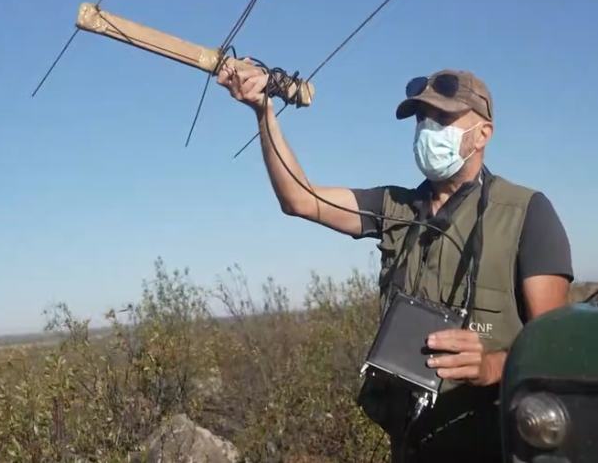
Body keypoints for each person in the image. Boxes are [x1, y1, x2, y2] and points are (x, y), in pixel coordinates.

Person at [217, 65, 574, 462]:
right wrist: (263, 111)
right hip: (410, 443)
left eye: (444, 118)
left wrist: (490, 367)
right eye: (422, 119)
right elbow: (300, 199)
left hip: (492, 443)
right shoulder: (394, 206)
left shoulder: (526, 212)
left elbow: (555, 354)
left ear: (483, 133)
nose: (428, 129)